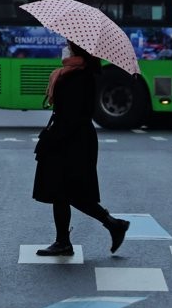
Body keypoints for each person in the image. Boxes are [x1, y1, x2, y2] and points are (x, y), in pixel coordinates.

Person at [32, 41, 130, 255]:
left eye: (68, 45)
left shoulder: (82, 76)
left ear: (78, 50)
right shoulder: (71, 72)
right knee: (64, 192)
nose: (65, 48)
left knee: (69, 192)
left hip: (74, 141)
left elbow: (75, 113)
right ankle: (105, 227)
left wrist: (54, 138)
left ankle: (104, 227)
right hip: (70, 137)